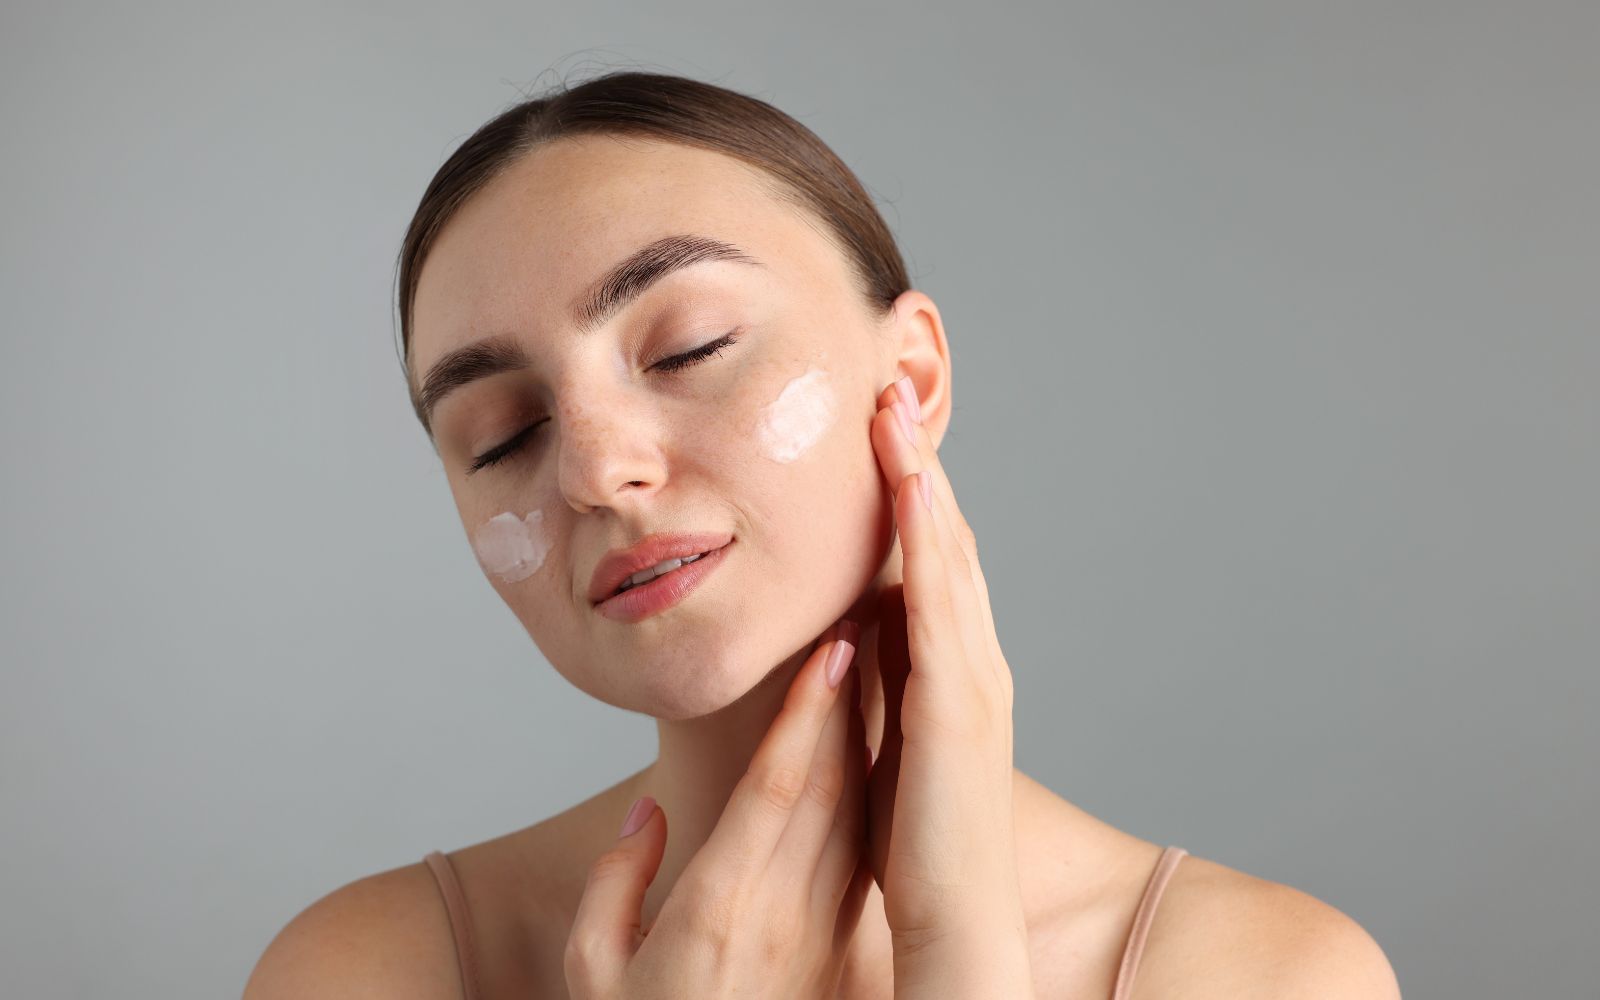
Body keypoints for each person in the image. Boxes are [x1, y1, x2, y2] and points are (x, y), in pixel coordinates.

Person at [244, 70, 1398, 999]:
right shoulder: (376, 971)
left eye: (688, 347)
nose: (598, 471)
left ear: (911, 375)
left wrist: (961, 964)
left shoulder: (1264, 975)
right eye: (501, 434)